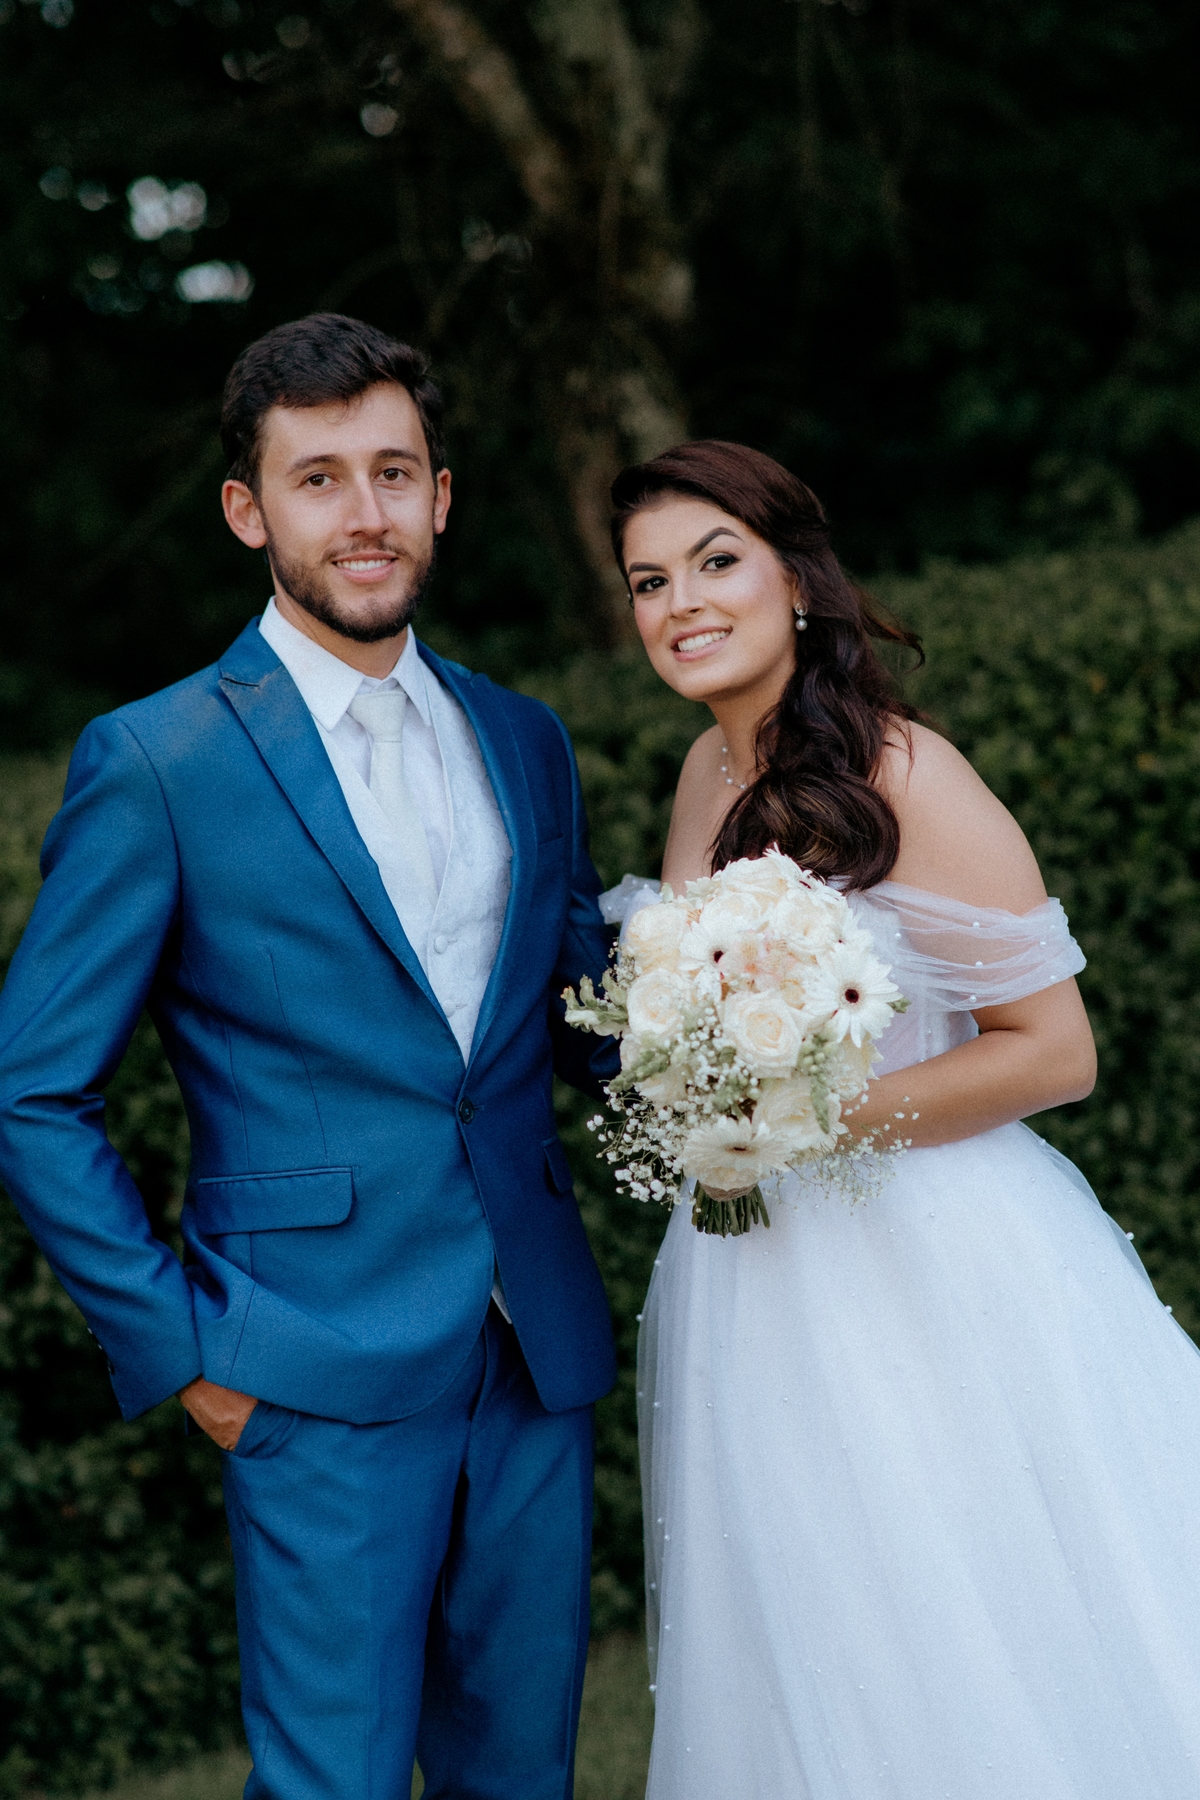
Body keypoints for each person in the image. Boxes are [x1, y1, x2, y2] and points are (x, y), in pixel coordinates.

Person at [0, 313, 619, 1800]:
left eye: (393, 472)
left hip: (532, 1353)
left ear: (441, 496)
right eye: (319, 479)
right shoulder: (158, 761)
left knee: (523, 1777)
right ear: (249, 511)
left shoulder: (524, 737)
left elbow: (574, 1018)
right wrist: (181, 1349)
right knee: (332, 1784)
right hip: (307, 1365)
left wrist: (750, 1023)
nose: (365, 514)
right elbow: (31, 1091)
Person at [606, 438, 1200, 1798]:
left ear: (796, 580)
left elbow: (1055, 1050)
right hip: (755, 1277)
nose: (680, 603)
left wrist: (808, 1119)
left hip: (926, 1257)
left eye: (714, 562)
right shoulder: (702, 775)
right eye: (648, 581)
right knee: (810, 1614)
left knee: (967, 1600)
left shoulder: (906, 772)